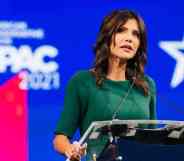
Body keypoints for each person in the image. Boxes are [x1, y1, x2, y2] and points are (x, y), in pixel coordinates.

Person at [53, 9, 157, 161]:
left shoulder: (147, 85)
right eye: (121, 31)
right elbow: (59, 138)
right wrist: (71, 150)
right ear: (107, 37)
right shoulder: (83, 82)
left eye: (136, 34)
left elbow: (152, 139)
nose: (129, 38)